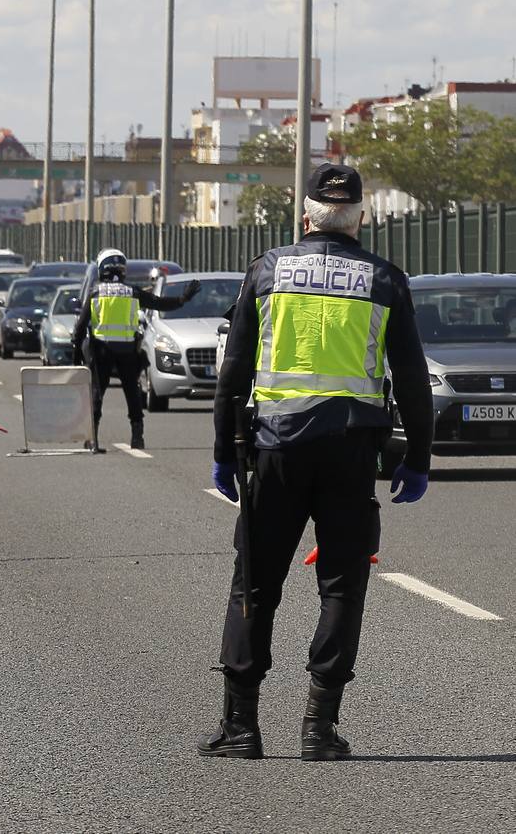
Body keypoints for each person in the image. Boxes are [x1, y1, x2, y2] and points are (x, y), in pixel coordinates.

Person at [201, 163, 433, 762]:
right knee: (341, 586)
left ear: (304, 216)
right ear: (360, 217)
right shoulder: (385, 279)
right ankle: (318, 730)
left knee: (254, 583)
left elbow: (235, 370)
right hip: (352, 452)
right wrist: (420, 458)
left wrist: (224, 448)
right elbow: (411, 378)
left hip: (275, 449)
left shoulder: (269, 269)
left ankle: (240, 728)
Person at [71, 248, 200, 450]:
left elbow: (80, 327)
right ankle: (137, 437)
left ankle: (93, 439)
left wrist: (76, 353)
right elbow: (159, 304)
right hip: (127, 351)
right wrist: (183, 299)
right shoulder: (132, 292)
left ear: (101, 269)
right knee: (132, 392)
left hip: (101, 351)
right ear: (123, 269)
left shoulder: (95, 293)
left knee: (97, 393)